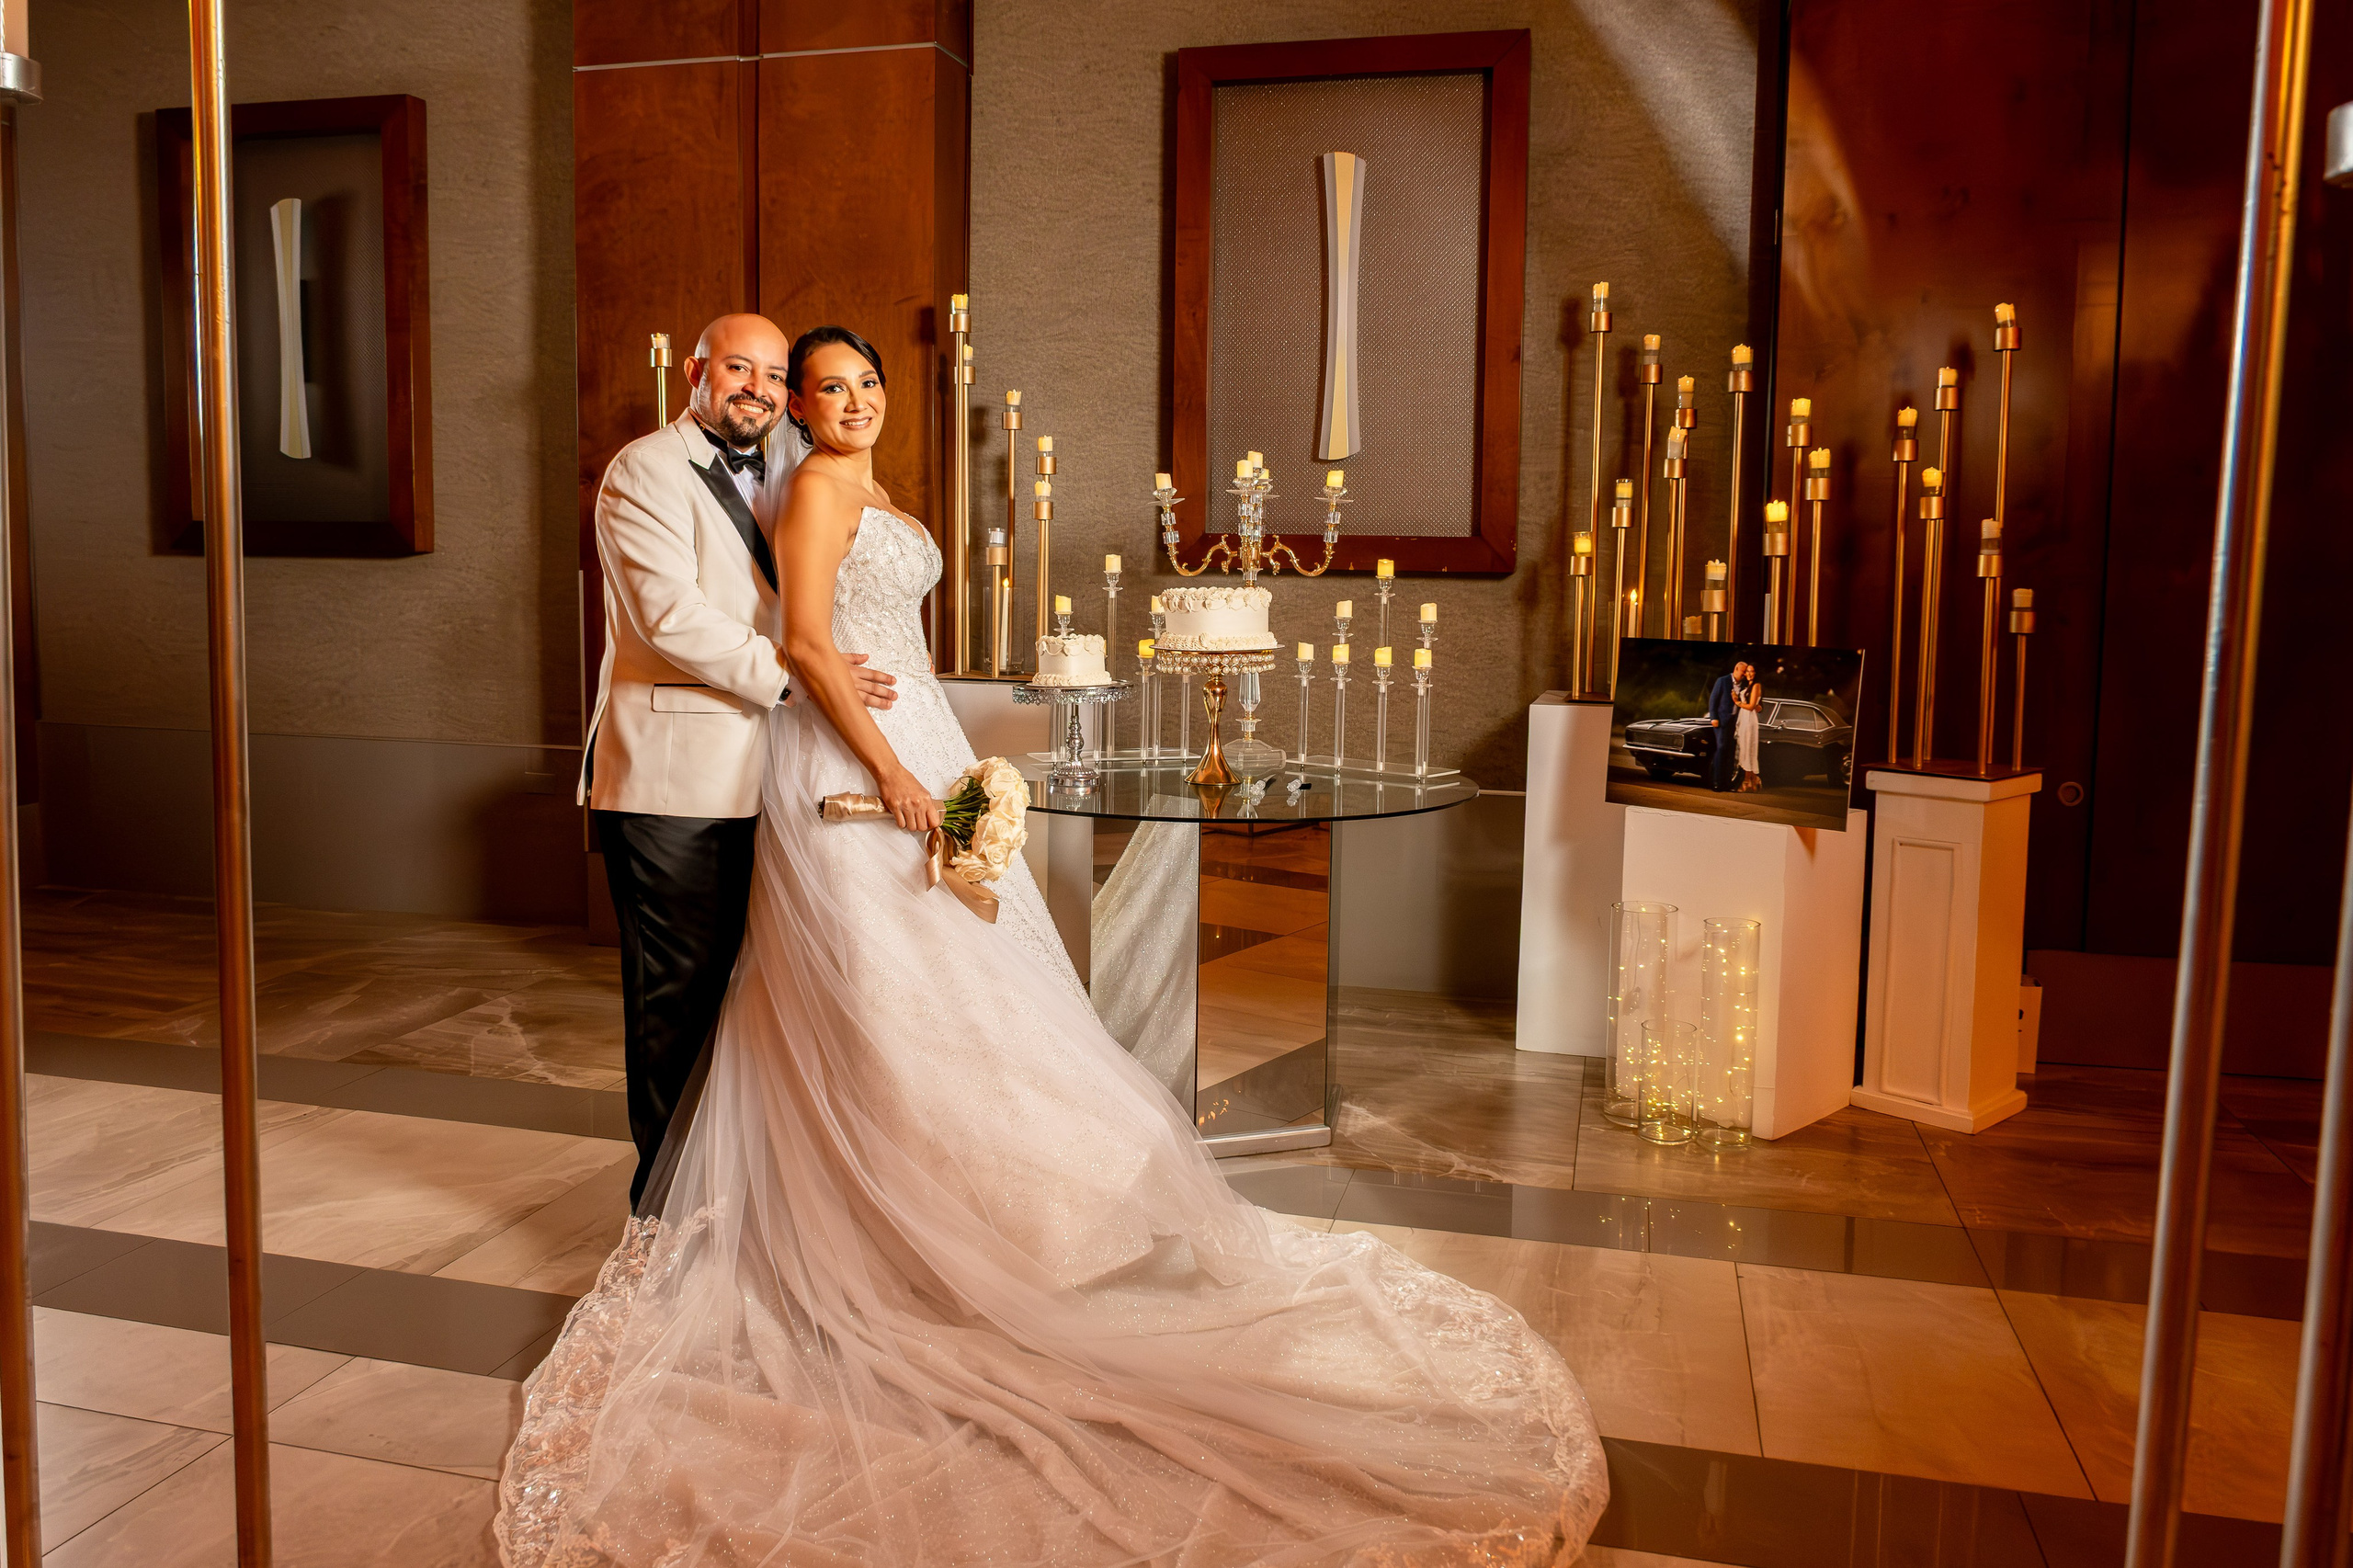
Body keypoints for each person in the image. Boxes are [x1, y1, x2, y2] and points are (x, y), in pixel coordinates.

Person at [498, 325, 1608, 1567]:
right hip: (748, 758)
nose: (837, 399)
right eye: (808, 382)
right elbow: (759, 633)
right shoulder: (671, 474)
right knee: (775, 998)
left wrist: (914, 745)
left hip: (874, 741)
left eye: (858, 382)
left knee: (924, 987)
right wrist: (869, 743)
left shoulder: (810, 472)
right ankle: (715, 1229)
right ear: (731, 382)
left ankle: (968, 1210)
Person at [578, 312, 898, 1209]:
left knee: (763, 998)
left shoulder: (799, 468)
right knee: (678, 1003)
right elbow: (668, 618)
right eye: (737, 368)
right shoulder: (644, 469)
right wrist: (802, 675)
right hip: (674, 778)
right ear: (696, 373)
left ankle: (748, 1202)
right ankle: (664, 1215)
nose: (756, 387)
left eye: (772, 373)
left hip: (782, 774)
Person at [1706, 661, 1741, 791]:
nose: (1744, 675)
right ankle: (1716, 782)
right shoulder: (1723, 681)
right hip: (1721, 720)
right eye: (1743, 672)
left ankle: (1727, 783)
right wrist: (1713, 717)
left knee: (1731, 752)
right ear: (1736, 669)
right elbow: (1713, 700)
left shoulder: (1744, 685)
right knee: (1721, 748)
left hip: (1735, 722)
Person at [1735, 661, 1765, 791]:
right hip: (1744, 717)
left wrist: (1737, 702)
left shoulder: (1757, 685)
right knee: (1744, 748)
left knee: (1748, 748)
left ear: (1756, 673)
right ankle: (1754, 779)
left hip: (1749, 719)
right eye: (1747, 671)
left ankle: (1747, 781)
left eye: (1752, 671)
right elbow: (1757, 706)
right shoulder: (1748, 685)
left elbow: (1752, 706)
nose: (1749, 674)